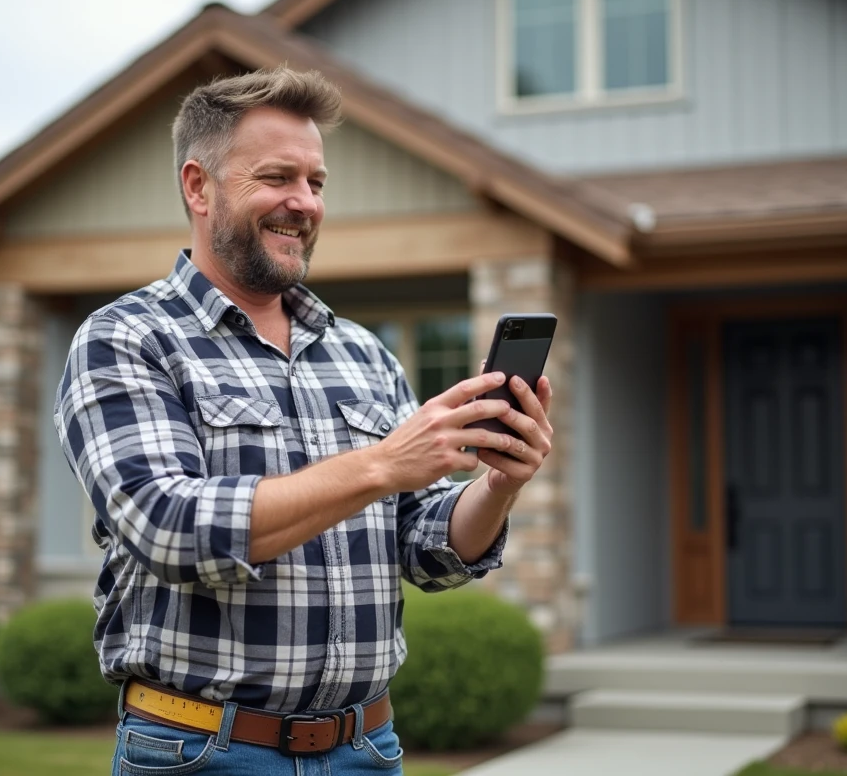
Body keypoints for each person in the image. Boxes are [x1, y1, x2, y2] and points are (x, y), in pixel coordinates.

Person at [54, 66, 554, 776]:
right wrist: (380, 463)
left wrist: (498, 484)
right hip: (202, 753)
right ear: (198, 187)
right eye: (277, 178)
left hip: (367, 750)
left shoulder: (362, 352)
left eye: (315, 183)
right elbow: (165, 525)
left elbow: (423, 548)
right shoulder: (127, 339)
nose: (303, 203)